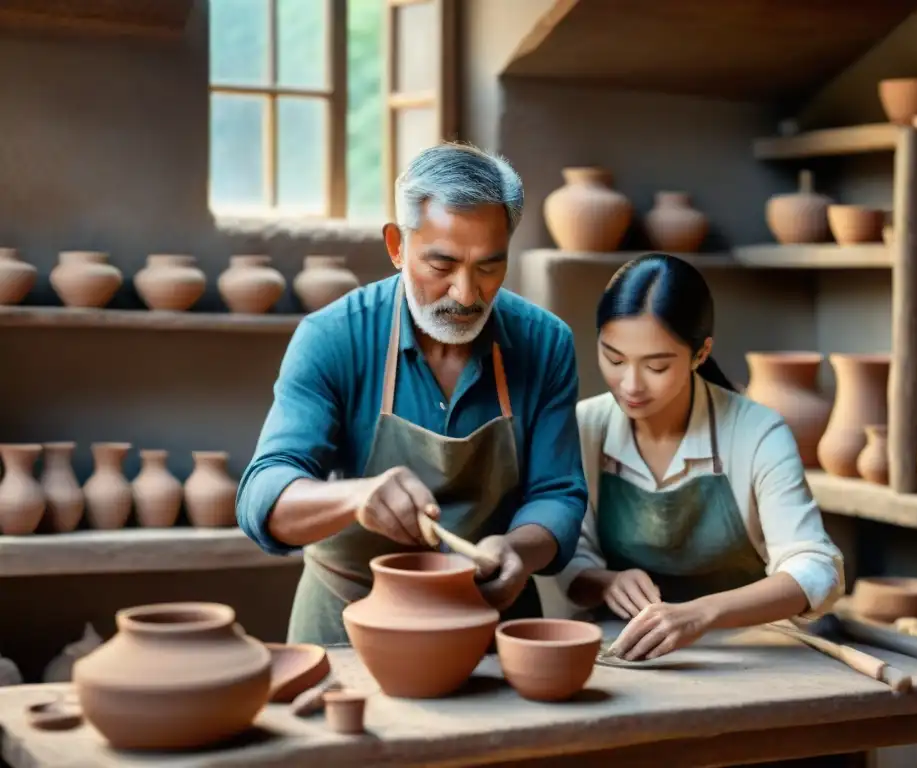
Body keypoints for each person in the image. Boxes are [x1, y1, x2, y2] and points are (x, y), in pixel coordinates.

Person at [237, 142, 588, 646]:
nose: (467, 295)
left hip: (489, 622)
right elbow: (261, 496)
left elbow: (558, 493)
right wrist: (354, 497)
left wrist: (519, 550)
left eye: (488, 267)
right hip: (349, 624)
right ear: (397, 246)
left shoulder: (543, 342)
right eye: (442, 266)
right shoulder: (334, 337)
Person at [557, 253, 845, 662]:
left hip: (751, 651)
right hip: (627, 650)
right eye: (614, 358)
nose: (631, 384)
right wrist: (605, 583)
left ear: (700, 354)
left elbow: (816, 570)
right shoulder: (586, 426)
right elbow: (571, 555)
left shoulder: (756, 432)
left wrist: (702, 613)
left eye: (656, 366)